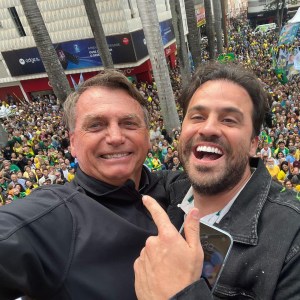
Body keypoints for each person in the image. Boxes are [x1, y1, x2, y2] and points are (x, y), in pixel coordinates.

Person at [0, 70, 181, 299]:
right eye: (96, 125)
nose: (115, 137)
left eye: (128, 123)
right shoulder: (54, 217)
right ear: (73, 143)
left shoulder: (177, 187)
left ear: (147, 135)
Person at [134, 62, 300, 299]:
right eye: (197, 116)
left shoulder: (292, 238)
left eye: (229, 120)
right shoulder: (165, 190)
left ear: (254, 143)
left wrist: (181, 295)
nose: (209, 128)